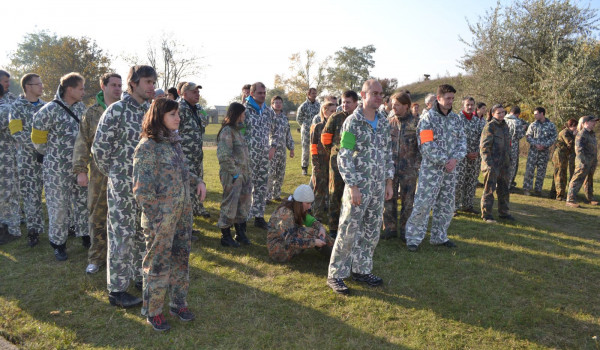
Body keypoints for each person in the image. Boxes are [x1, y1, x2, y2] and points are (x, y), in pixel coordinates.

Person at [133, 98, 207, 332]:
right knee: (157, 264)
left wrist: (197, 181)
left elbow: (182, 171)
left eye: (177, 114)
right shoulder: (147, 146)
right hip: (161, 220)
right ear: (159, 117)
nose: (178, 118)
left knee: (181, 260)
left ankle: (178, 303)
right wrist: (158, 220)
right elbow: (141, 190)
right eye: (172, 114)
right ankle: (153, 311)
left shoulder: (173, 142)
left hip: (182, 215)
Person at [92, 65, 157, 308]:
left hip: (146, 186)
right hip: (122, 185)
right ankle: (117, 290)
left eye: (153, 81)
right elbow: (99, 150)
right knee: (121, 235)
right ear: (134, 84)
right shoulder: (116, 111)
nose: (151, 86)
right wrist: (118, 175)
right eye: (147, 82)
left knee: (143, 233)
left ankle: (140, 276)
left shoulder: (151, 112)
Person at [327, 79, 394, 295]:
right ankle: (336, 274)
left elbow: (387, 154)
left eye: (380, 94)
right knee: (348, 229)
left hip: (377, 187)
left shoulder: (383, 122)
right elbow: (344, 155)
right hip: (358, 187)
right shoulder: (352, 123)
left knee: (371, 231)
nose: (378, 97)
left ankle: (361, 269)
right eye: (374, 93)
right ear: (363, 95)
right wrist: (353, 185)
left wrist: (389, 181)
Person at [31, 72, 88, 261]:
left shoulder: (82, 109)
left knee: (83, 203)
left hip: (79, 167)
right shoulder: (48, 110)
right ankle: (58, 244)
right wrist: (54, 156)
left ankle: (86, 236)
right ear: (69, 89)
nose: (83, 92)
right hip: (56, 170)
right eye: (80, 88)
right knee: (59, 208)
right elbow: (38, 140)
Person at [405, 84, 466, 252]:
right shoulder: (428, 119)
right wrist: (445, 160)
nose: (450, 101)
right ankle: (413, 238)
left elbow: (462, 141)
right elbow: (426, 144)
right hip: (431, 171)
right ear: (438, 99)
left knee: (446, 206)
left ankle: (439, 237)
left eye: (453, 98)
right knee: (423, 205)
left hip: (450, 171)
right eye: (448, 98)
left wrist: (455, 159)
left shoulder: (456, 119)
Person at [72, 73, 122, 274]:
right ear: (103, 86)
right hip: (100, 172)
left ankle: (121, 256)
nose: (118, 88)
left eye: (120, 85)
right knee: (97, 214)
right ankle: (96, 257)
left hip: (124, 173)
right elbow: (82, 142)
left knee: (123, 216)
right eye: (113, 85)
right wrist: (80, 170)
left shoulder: (126, 110)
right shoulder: (91, 113)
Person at [8, 73, 46, 247]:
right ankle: (34, 231)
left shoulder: (47, 107)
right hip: (28, 161)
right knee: (31, 196)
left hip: (48, 159)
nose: (42, 86)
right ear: (28, 86)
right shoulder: (16, 107)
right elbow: (16, 132)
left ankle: (64, 227)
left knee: (54, 194)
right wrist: (38, 147)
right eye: (38, 84)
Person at [382, 92, 420, 241]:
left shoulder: (418, 123)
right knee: (389, 198)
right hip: (391, 168)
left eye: (397, 104)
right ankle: (389, 229)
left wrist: (416, 165)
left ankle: (406, 230)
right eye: (392, 103)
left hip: (409, 169)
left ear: (406, 106)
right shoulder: (388, 122)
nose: (393, 107)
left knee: (408, 201)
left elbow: (423, 147)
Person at [321, 90, 359, 238]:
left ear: (356, 103)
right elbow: (325, 138)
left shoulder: (359, 118)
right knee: (335, 194)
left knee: (353, 194)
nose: (344, 105)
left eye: (348, 102)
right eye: (343, 102)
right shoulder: (335, 117)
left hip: (356, 163)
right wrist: (333, 152)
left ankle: (352, 225)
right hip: (336, 162)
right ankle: (333, 227)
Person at [267, 184, 334, 263]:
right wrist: (314, 242)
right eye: (307, 203)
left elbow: (311, 221)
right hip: (279, 251)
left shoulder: (296, 207)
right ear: (299, 202)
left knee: (317, 232)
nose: (309, 207)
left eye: (310, 203)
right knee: (314, 233)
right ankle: (336, 256)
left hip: (285, 243)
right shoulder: (285, 213)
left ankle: (338, 249)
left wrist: (321, 228)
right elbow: (290, 240)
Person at [243, 82, 279, 230]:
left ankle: (259, 216)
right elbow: (237, 132)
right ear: (252, 94)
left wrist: (273, 147)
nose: (263, 95)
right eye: (260, 93)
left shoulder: (268, 111)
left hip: (264, 156)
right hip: (248, 156)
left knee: (262, 186)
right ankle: (243, 218)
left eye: (264, 93)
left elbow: (275, 130)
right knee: (246, 187)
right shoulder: (244, 110)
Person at [216, 102, 252, 247]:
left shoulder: (237, 131)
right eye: (243, 113)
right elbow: (224, 156)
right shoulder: (227, 131)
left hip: (243, 174)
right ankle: (225, 236)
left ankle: (240, 233)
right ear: (237, 114)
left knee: (242, 204)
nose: (244, 116)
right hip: (232, 175)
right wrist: (235, 174)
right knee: (230, 204)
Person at [178, 82, 210, 219]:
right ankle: (187, 217)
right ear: (184, 94)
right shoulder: (179, 108)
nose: (198, 94)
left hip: (196, 154)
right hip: (185, 155)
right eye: (194, 92)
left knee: (198, 182)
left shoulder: (196, 109)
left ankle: (198, 208)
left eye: (198, 92)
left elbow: (204, 123)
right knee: (187, 186)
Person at [480, 104, 513, 222]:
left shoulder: (505, 126)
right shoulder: (490, 126)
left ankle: (504, 212)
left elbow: (508, 145)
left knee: (504, 189)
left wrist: (509, 160)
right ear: (493, 114)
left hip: (504, 164)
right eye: (498, 113)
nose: (501, 115)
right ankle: (486, 214)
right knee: (489, 190)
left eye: (503, 112)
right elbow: (484, 147)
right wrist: (489, 164)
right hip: (492, 164)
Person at [454, 96, 485, 215]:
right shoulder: (457, 119)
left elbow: (482, 138)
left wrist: (477, 151)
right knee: (458, 182)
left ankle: (467, 205)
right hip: (461, 157)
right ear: (463, 105)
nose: (470, 107)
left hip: (475, 157)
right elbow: (454, 138)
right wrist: (465, 153)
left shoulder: (478, 121)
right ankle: (454, 207)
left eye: (472, 105)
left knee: (471, 182)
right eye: (468, 105)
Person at [0, 85, 20, 243]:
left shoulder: (6, 110)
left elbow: (16, 132)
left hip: (6, 159)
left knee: (8, 194)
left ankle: (12, 229)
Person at [310, 102, 336, 222]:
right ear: (324, 112)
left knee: (333, 191)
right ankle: (317, 216)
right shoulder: (318, 127)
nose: (334, 113)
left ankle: (332, 216)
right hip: (320, 163)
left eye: (335, 110)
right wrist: (315, 165)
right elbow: (313, 147)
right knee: (319, 190)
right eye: (331, 111)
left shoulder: (337, 126)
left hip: (333, 164)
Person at [522, 107, 557, 196]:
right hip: (533, 151)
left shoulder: (551, 125)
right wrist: (535, 144)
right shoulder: (533, 125)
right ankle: (527, 189)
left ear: (542, 114)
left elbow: (553, 137)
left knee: (541, 171)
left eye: (536, 114)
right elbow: (528, 136)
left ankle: (538, 190)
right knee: (529, 170)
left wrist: (545, 145)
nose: (535, 115)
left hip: (544, 152)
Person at [267, 96, 294, 202]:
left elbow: (288, 134)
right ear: (272, 104)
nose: (278, 104)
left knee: (280, 173)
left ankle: (276, 194)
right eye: (275, 102)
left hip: (282, 151)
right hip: (271, 150)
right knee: (270, 173)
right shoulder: (268, 116)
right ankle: (267, 197)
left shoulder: (284, 118)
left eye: (280, 102)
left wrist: (291, 148)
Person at [566, 115, 598, 207]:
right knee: (577, 179)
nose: (594, 123)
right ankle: (570, 200)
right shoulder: (582, 134)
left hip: (591, 162)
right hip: (583, 162)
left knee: (589, 180)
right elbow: (578, 149)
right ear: (585, 123)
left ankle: (590, 198)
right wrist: (583, 162)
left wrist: (594, 161)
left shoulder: (591, 134)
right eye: (592, 121)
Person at [549, 118, 578, 200]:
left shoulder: (568, 132)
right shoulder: (565, 132)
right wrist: (575, 135)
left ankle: (554, 193)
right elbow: (570, 143)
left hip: (564, 154)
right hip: (560, 155)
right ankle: (560, 195)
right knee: (560, 174)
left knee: (558, 173)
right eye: (575, 127)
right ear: (571, 126)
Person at [296, 88, 320, 176]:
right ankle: (304, 168)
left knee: (316, 148)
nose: (314, 95)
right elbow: (299, 118)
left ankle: (315, 167)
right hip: (306, 131)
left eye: (315, 93)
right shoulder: (303, 106)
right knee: (306, 149)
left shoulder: (318, 105)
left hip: (316, 130)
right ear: (308, 94)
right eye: (313, 93)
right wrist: (304, 126)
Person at [504, 106, 528, 190]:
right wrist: (523, 128)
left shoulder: (503, 119)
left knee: (502, 165)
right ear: (518, 114)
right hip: (513, 147)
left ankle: (499, 184)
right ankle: (508, 185)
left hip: (502, 146)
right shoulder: (517, 122)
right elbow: (520, 135)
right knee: (511, 167)